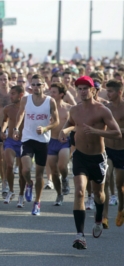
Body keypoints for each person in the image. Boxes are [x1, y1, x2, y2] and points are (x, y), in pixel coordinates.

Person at [59, 76, 121, 249]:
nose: (82, 91)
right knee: (79, 192)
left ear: (93, 90)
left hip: (98, 157)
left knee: (99, 194)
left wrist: (96, 131)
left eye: (86, 88)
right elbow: (71, 123)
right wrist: (65, 130)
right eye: (79, 88)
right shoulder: (74, 109)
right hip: (80, 155)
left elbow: (117, 133)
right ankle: (80, 235)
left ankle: (99, 219)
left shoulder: (102, 110)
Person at [13, 74, 59, 216]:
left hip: (43, 141)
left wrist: (45, 128)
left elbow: (56, 122)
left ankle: (37, 202)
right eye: (33, 84)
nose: (36, 87)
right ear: (30, 86)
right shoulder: (26, 99)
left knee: (39, 174)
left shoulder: (50, 101)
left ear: (45, 86)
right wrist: (16, 128)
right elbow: (20, 114)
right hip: (27, 138)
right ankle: (29, 184)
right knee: (25, 170)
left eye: (39, 84)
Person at [46, 83, 73, 206]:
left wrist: (67, 131)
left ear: (61, 94)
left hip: (64, 142)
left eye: (54, 92)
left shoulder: (69, 108)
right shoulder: (46, 108)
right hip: (51, 141)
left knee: (62, 166)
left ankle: (66, 179)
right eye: (51, 92)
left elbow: (75, 124)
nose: (51, 94)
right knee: (54, 172)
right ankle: (59, 194)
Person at [103, 80, 124, 228]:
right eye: (107, 91)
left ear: (119, 92)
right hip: (108, 149)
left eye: (110, 91)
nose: (107, 94)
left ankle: (120, 210)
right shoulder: (105, 108)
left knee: (119, 184)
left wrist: (118, 132)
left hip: (122, 151)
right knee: (105, 178)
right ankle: (104, 216)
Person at [0, 85, 26, 205]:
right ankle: (11, 190)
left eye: (13, 94)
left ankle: (21, 194)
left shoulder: (27, 108)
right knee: (9, 165)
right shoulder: (7, 108)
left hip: (23, 141)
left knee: (22, 171)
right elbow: (5, 121)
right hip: (10, 140)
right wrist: (2, 130)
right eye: (10, 93)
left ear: (21, 95)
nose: (10, 96)